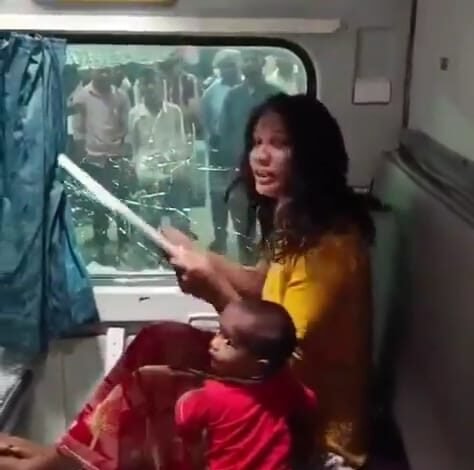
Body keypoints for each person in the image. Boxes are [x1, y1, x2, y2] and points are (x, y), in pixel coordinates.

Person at [0, 94, 373, 470]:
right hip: (273, 383)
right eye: (257, 142)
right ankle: (69, 455)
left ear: (311, 155)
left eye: (279, 144)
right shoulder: (297, 223)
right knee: (157, 339)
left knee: (157, 387)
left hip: (305, 421)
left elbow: (276, 357)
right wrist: (199, 254)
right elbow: (263, 285)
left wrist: (213, 288)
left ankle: (66, 462)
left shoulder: (329, 251)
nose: (260, 156)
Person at [177, 298, 316, 469]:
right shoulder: (285, 384)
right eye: (219, 332)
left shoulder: (212, 396)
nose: (214, 343)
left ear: (259, 364)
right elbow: (309, 400)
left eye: (229, 342)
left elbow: (184, 416)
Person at [217, 49, 281, 264]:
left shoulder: (275, 95)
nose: (249, 63)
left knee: (272, 228)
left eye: (253, 58)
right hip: (240, 173)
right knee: (243, 229)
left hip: (270, 173)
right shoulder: (233, 96)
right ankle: (247, 267)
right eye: (245, 59)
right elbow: (224, 133)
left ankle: (271, 272)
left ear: (262, 62)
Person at [69, 66, 132, 266]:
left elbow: (126, 127)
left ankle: (125, 247)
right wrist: (81, 160)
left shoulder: (121, 96)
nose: (104, 75)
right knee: (98, 207)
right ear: (92, 72)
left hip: (116, 158)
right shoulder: (81, 97)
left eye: (107, 71)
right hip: (93, 160)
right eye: (100, 71)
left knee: (122, 204)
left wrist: (123, 153)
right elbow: (78, 131)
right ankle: (101, 247)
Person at [129, 68, 191, 262]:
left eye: (153, 83)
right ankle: (150, 261)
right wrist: (138, 173)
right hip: (148, 176)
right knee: (149, 222)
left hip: (173, 175)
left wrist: (176, 168)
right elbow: (135, 148)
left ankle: (179, 260)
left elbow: (181, 144)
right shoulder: (135, 114)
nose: (149, 88)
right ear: (140, 88)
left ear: (161, 86)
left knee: (179, 221)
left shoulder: (174, 112)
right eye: (145, 84)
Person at [200, 49, 242, 254]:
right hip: (219, 153)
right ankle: (220, 238)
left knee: (242, 199)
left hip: (243, 154)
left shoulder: (246, 90)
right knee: (218, 198)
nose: (227, 70)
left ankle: (245, 240)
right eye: (223, 66)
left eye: (231, 65)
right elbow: (206, 123)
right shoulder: (211, 93)